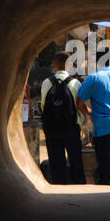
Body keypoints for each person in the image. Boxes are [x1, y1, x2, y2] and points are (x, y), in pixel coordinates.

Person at [40, 52, 88, 184]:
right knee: (75, 159)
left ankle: (59, 185)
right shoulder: (75, 83)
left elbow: (43, 106)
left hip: (52, 128)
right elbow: (79, 105)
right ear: (70, 64)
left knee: (56, 160)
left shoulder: (46, 83)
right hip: (71, 127)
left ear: (54, 64)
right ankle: (79, 185)